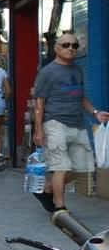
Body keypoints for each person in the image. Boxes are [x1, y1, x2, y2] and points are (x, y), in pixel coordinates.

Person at [31, 32, 109, 212]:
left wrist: (96, 112)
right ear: (56, 48)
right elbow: (39, 103)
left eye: (74, 45)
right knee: (61, 167)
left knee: (81, 167)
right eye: (66, 45)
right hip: (55, 123)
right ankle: (60, 207)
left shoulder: (77, 70)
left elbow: (81, 97)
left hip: (78, 123)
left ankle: (48, 189)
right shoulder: (47, 72)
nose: (71, 48)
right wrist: (38, 130)